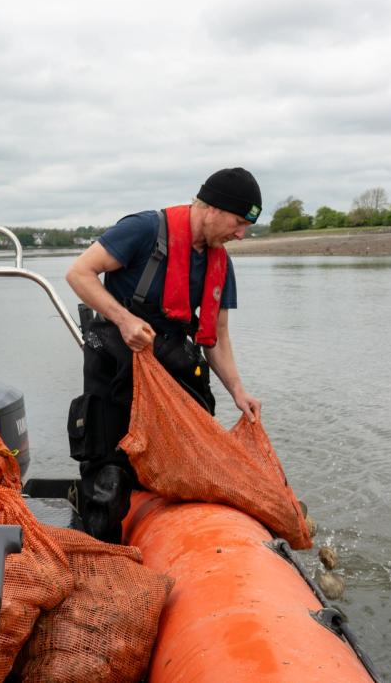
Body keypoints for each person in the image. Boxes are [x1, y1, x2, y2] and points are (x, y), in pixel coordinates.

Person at [64, 168, 262, 542]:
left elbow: (216, 335)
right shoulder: (142, 230)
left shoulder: (221, 263)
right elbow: (79, 273)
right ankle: (100, 553)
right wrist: (124, 320)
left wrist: (238, 390)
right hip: (119, 367)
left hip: (174, 366)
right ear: (212, 208)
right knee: (108, 482)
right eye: (238, 223)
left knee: (200, 470)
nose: (240, 234)